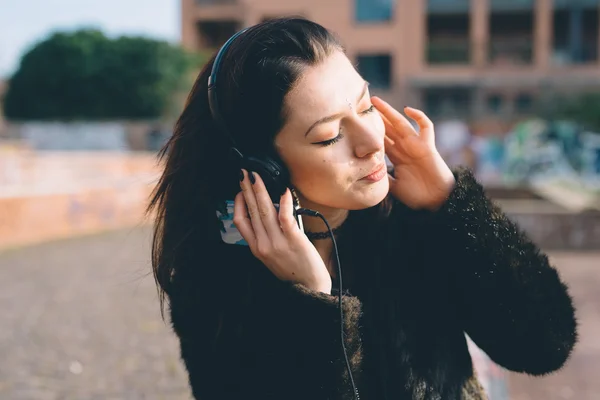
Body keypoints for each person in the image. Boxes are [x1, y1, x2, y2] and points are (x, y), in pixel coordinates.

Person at [147, 18, 577, 400]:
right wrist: (310, 304)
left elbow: (543, 344)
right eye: (330, 134)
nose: (372, 142)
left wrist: (450, 202)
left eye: (366, 106)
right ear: (263, 167)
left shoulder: (408, 222)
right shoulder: (216, 278)